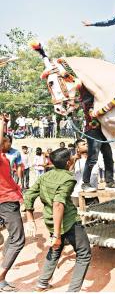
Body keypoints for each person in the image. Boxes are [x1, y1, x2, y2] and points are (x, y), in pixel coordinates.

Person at [24, 148, 92, 292]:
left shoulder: (45, 176)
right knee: (84, 254)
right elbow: (58, 203)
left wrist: (30, 219)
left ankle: (42, 283)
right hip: (68, 221)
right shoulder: (69, 178)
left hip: (50, 220)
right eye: (71, 157)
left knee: (55, 249)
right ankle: (73, 290)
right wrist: (57, 234)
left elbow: (29, 195)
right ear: (68, 162)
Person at [0, 116, 25, 291]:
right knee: (18, 240)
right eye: (7, 140)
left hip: (8, 199)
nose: (9, 143)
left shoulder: (4, 156)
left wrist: (6, 123)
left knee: (11, 238)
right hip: (6, 201)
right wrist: (2, 123)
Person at [79, 85, 115, 191]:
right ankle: (85, 183)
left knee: (108, 156)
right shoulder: (87, 97)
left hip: (105, 129)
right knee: (93, 157)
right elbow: (92, 111)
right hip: (92, 129)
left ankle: (110, 181)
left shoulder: (104, 97)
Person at [71, 139, 100, 206]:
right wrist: (74, 160)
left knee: (95, 215)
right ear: (77, 149)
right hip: (76, 195)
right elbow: (68, 172)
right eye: (83, 144)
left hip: (92, 195)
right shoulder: (74, 160)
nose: (87, 145)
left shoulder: (96, 158)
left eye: (87, 143)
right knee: (76, 215)